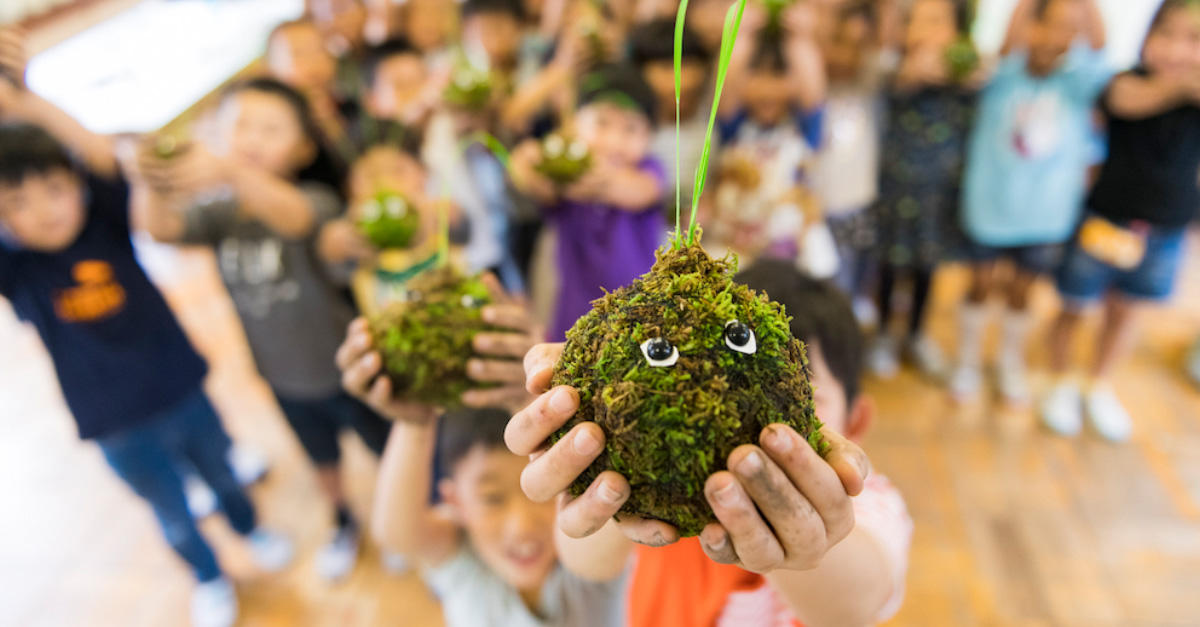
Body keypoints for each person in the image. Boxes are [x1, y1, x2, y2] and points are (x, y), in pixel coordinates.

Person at [0, 38, 292, 627]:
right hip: (112, 422)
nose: (47, 209)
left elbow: (102, 158)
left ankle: (250, 529)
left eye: (56, 189)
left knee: (223, 470)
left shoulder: (103, 224)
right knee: (172, 512)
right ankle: (209, 576)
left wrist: (25, 101)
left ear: (77, 189)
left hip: (180, 385)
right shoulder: (20, 269)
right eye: (19, 201)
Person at [505, 260, 911, 626]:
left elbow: (856, 604)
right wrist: (600, 442)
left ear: (856, 422)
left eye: (808, 393)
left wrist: (803, 538)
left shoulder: (870, 499)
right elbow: (585, 561)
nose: (736, 398)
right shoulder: (665, 487)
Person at [138, 78, 390, 582]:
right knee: (321, 462)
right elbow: (160, 228)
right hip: (281, 374)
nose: (251, 138)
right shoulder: (218, 213)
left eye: (270, 129)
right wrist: (150, 178)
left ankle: (396, 521)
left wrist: (230, 169)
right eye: (240, 126)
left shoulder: (313, 199)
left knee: (384, 450)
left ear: (302, 148)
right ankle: (342, 520)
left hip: (351, 367)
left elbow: (296, 220)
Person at [1042, 0, 1200, 441]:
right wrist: (1184, 83)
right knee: (1074, 304)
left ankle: (1097, 383)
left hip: (1167, 229)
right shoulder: (1125, 81)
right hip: (1105, 218)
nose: (1176, 49)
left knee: (1126, 313)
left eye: (1194, 40)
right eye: (1166, 34)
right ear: (1147, 36)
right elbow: (1128, 103)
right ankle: (1059, 382)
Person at [950, 0, 1109, 404]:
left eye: (1068, 29)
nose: (1055, 38)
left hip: (1046, 215)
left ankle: (1009, 361)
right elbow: (1006, 44)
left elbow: (1100, 49)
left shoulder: (1078, 83)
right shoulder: (1001, 76)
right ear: (1029, 26)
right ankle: (967, 361)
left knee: (1022, 293)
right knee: (980, 285)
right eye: (1048, 26)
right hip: (989, 206)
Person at [508, 63, 666, 341]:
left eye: (630, 129)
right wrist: (532, 161)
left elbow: (640, 191)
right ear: (574, 124)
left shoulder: (649, 171)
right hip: (574, 319)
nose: (613, 141)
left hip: (640, 317)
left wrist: (576, 176)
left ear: (649, 136)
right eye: (601, 123)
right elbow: (528, 173)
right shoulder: (562, 169)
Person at [869, 0, 979, 380]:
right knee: (890, 265)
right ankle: (884, 333)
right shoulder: (897, 69)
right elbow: (900, 82)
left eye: (936, 22)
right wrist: (919, 67)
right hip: (896, 192)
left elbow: (980, 81)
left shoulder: (968, 73)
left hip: (940, 194)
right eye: (916, 22)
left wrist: (963, 71)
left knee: (926, 268)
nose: (924, 31)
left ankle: (916, 334)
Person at [710, 3, 835, 276]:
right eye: (757, 75)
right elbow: (726, 83)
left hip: (788, 254)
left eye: (778, 75)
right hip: (738, 251)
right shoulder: (734, 127)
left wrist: (799, 38)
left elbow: (812, 88)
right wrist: (740, 37)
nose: (767, 88)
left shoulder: (804, 128)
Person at [811, 0, 891, 324]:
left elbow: (887, 38)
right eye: (839, 43)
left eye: (859, 46)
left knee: (846, 292)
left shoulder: (871, 85)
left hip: (857, 209)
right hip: (815, 212)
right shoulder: (814, 89)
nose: (847, 55)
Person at [629, 18, 713, 219]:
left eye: (689, 65)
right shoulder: (625, 127)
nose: (683, 80)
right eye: (667, 67)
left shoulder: (707, 121)